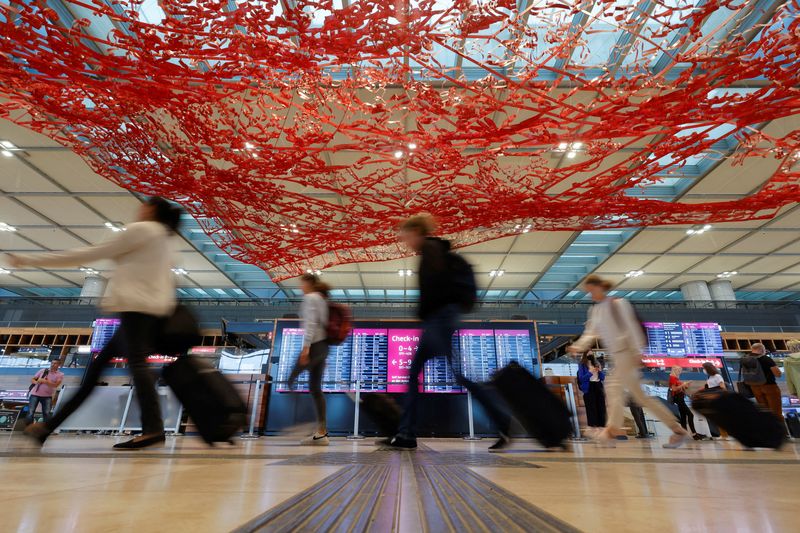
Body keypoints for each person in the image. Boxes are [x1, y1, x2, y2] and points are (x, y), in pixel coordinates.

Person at [6, 197, 182, 449]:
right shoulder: (165, 239)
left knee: (136, 368)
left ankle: (153, 429)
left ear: (151, 209)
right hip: (145, 312)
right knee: (95, 373)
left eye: (143, 205)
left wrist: (30, 261)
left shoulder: (143, 230)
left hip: (135, 311)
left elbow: (90, 253)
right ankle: (46, 427)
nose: (139, 208)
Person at [568, 275, 690, 448]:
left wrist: (638, 351)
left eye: (591, 290)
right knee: (641, 397)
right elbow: (590, 332)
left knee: (612, 386)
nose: (589, 294)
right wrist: (577, 346)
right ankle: (678, 430)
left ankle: (611, 431)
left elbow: (632, 327)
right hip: (617, 356)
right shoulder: (595, 311)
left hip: (627, 353)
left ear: (600, 287)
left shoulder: (618, 304)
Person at [381, 215, 463, 450]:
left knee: (457, 376)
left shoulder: (430, 250)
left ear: (416, 231)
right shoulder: (436, 249)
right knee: (416, 373)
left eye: (406, 236)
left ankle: (407, 433)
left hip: (438, 322)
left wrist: (422, 311)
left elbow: (434, 290)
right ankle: (406, 432)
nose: (406, 241)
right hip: (440, 321)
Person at [287, 273, 331, 446]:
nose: (300, 287)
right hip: (323, 347)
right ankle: (321, 432)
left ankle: (303, 423)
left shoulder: (310, 298)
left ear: (308, 283)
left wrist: (306, 348)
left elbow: (311, 323)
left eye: (301, 283)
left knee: (291, 380)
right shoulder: (322, 299)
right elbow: (323, 323)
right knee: (315, 388)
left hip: (313, 346)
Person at [746, 343, 783, 420]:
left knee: (765, 412)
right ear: (763, 350)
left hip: (754, 388)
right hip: (769, 387)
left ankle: (769, 430)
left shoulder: (746, 359)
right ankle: (781, 431)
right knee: (776, 412)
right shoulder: (766, 359)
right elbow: (778, 374)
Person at [669, 366, 702, 440]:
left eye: (680, 370)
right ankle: (694, 434)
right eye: (679, 370)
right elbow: (674, 389)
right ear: (675, 370)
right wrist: (683, 384)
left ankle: (685, 435)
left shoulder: (676, 378)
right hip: (678, 399)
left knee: (683, 417)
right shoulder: (672, 378)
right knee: (690, 415)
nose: (680, 372)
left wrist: (685, 385)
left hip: (680, 398)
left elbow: (679, 388)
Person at [26, 360, 64, 424]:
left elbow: (56, 385)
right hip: (35, 394)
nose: (52, 364)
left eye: (55, 363)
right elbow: (33, 379)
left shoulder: (60, 374)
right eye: (52, 363)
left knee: (46, 413)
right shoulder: (43, 370)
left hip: (47, 396)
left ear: (59, 365)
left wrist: (46, 382)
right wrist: (36, 382)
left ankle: (46, 429)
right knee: (30, 412)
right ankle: (28, 427)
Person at [577, 352, 606, 431]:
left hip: (598, 385)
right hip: (589, 387)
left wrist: (600, 371)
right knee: (591, 409)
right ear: (585, 354)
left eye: (592, 352)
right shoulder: (582, 364)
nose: (591, 354)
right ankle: (593, 428)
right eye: (589, 352)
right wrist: (590, 372)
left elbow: (603, 378)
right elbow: (581, 379)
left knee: (601, 407)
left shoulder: (597, 363)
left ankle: (602, 428)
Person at [701, 362, 727, 440]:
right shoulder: (710, 377)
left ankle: (725, 434)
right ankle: (723, 435)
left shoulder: (717, 376)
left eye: (704, 368)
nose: (703, 370)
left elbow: (723, 387)